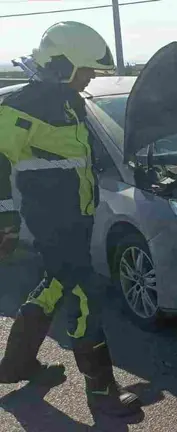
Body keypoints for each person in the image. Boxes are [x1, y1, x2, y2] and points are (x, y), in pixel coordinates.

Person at [0, 22, 142, 417]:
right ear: (61, 65)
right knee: (84, 293)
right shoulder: (20, 107)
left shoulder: (69, 103)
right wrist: (4, 220)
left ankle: (15, 365)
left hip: (77, 216)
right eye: (86, 70)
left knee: (54, 285)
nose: (91, 78)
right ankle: (102, 391)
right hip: (51, 219)